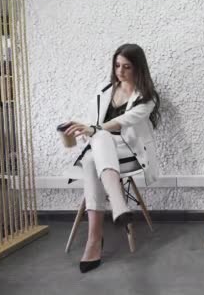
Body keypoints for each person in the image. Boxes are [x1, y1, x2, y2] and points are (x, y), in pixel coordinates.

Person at [63, 43, 160, 273]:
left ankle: (95, 241)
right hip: (102, 149)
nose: (120, 71)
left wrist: (93, 129)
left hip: (128, 152)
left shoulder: (147, 97)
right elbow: (94, 123)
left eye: (126, 67)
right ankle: (117, 207)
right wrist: (85, 129)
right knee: (94, 152)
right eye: (117, 65)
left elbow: (122, 122)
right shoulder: (104, 88)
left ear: (138, 68)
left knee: (100, 139)